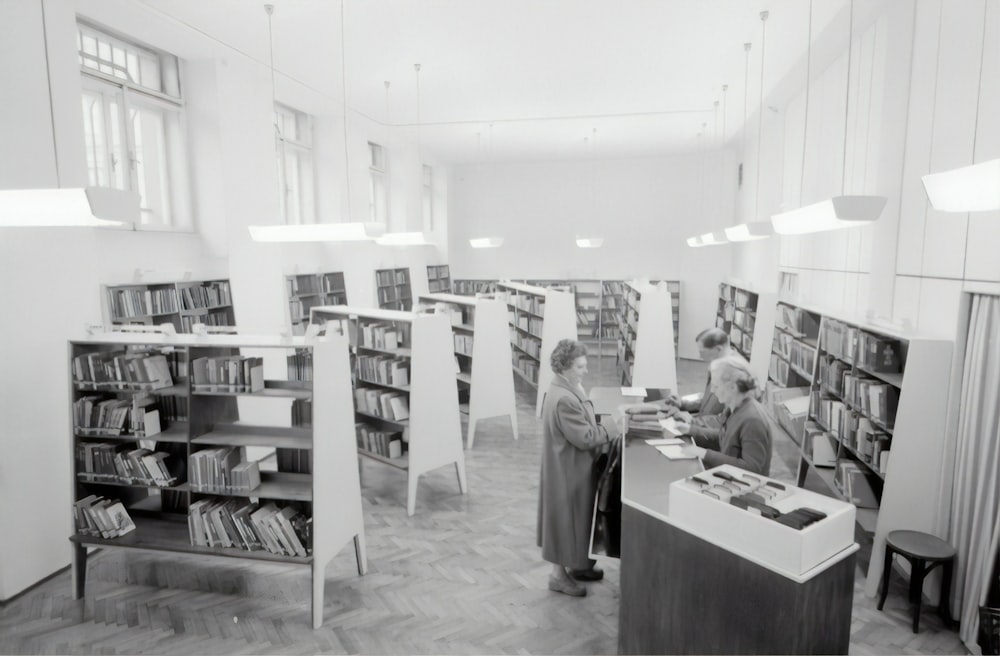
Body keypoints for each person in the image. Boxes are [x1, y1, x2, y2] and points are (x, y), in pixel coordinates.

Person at [537, 338, 612, 597]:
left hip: (572, 466)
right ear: (566, 367)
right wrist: (613, 427)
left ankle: (580, 564)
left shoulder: (568, 386)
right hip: (567, 471)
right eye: (580, 366)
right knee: (565, 523)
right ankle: (558, 576)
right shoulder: (564, 398)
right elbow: (585, 437)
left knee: (579, 520)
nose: (585, 370)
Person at [623, 328, 732, 443]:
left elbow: (725, 420)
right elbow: (707, 398)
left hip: (710, 434)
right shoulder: (717, 364)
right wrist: (683, 402)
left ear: (718, 349)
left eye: (702, 352)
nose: (700, 356)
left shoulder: (733, 374)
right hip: (701, 425)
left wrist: (692, 421)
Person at [678, 354, 772, 475]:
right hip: (730, 476)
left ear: (733, 387)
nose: (712, 390)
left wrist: (704, 453)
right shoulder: (735, 407)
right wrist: (691, 430)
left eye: (716, 386)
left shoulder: (753, 420)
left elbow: (751, 468)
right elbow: (725, 436)